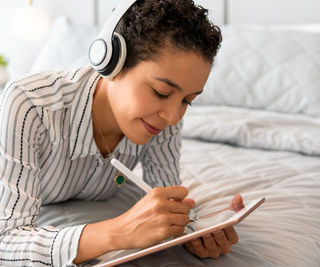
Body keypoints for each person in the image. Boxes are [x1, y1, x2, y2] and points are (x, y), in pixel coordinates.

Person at [0, 0, 244, 265]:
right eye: (161, 92)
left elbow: (165, 195)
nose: (173, 116)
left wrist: (195, 231)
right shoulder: (28, 104)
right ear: (112, 63)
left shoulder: (164, 117)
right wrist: (118, 232)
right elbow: (6, 240)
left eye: (188, 100)